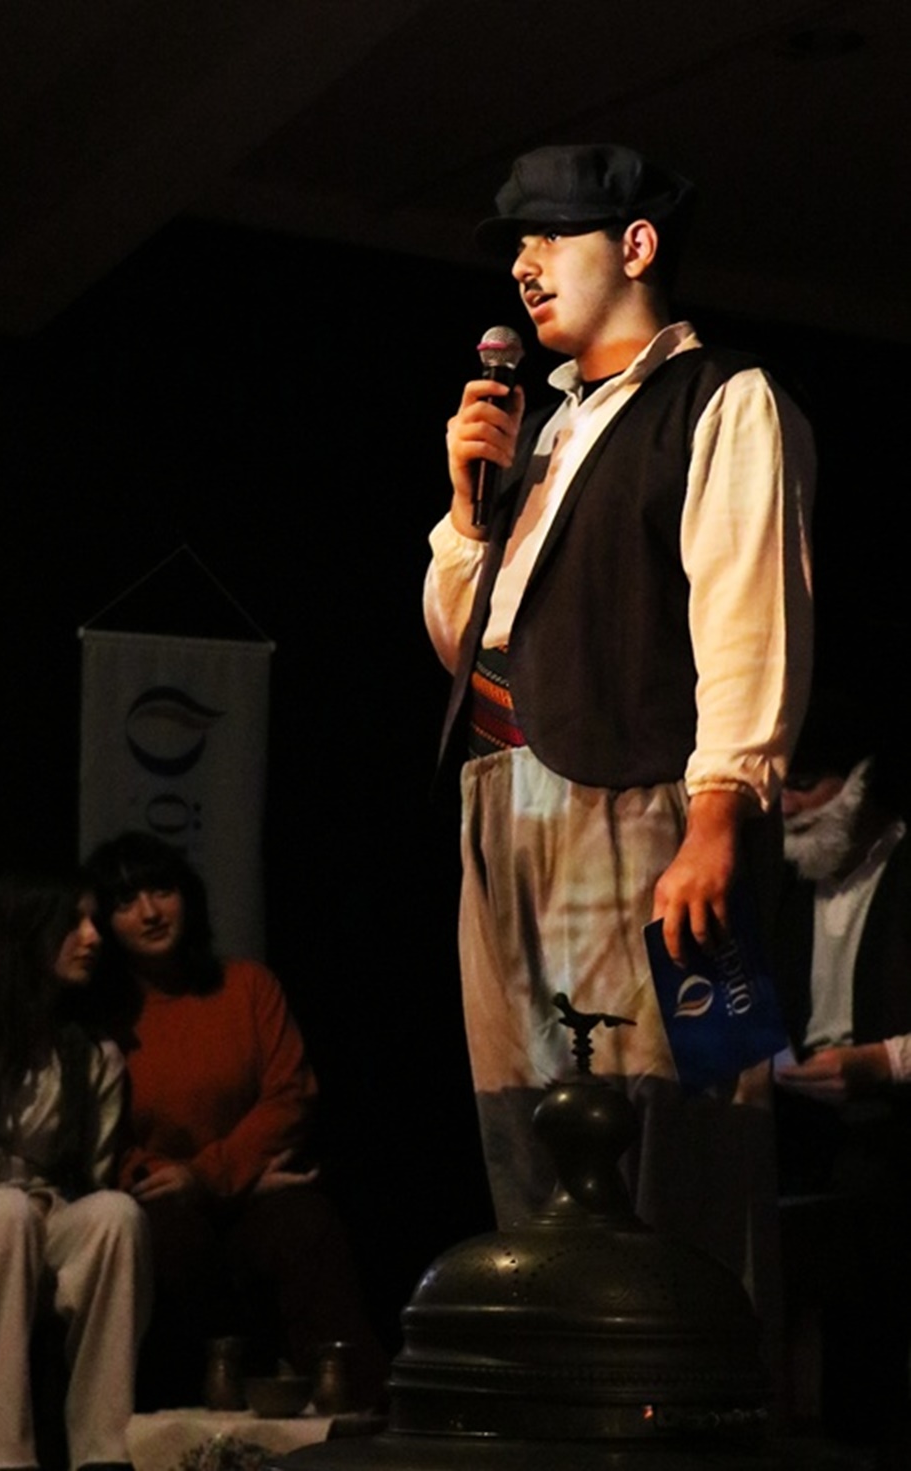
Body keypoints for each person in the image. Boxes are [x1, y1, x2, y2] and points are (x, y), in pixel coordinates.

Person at [423, 143, 815, 1310]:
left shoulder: (718, 401)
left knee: (665, 1123)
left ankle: (687, 1381)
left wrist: (717, 812)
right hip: (500, 791)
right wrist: (466, 512)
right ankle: (554, 1371)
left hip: (632, 800)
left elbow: (748, 616)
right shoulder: (540, 433)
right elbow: (464, 637)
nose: (523, 266)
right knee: (525, 1127)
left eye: (548, 236)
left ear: (635, 244)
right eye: (515, 246)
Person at [84, 831, 388, 1411]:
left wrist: (212, 1178)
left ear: (187, 895)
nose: (150, 913)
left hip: (248, 1190)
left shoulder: (247, 985)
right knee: (167, 1242)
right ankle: (185, 1426)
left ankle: (360, 1415)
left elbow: (290, 1096)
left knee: (305, 1223)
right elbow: (101, 1135)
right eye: (126, 902)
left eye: (161, 891)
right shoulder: (102, 1018)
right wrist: (188, 1183)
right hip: (165, 1201)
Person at [0, 868, 150, 1471]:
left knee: (115, 1217)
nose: (93, 936)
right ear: (26, 930)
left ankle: (104, 1451)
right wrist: (0, 1204)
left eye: (93, 921)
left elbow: (88, 1179)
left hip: (28, 1217)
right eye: (72, 921)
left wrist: (36, 1206)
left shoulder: (93, 1056)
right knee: (5, 1216)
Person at [772, 703, 911, 1450]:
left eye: (803, 784)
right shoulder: (787, 884)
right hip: (805, 1136)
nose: (787, 807)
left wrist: (882, 1062)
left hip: (892, 1136)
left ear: (860, 778)